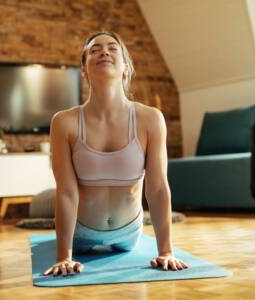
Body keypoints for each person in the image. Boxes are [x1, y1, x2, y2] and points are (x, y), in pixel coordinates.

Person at [43, 32, 188, 277]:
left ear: (125, 67)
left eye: (112, 48)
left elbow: (158, 188)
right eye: (94, 49)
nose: (104, 51)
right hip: (81, 233)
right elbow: (66, 191)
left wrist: (166, 251)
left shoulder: (150, 118)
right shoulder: (63, 122)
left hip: (129, 232)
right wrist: (64, 257)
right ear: (84, 70)